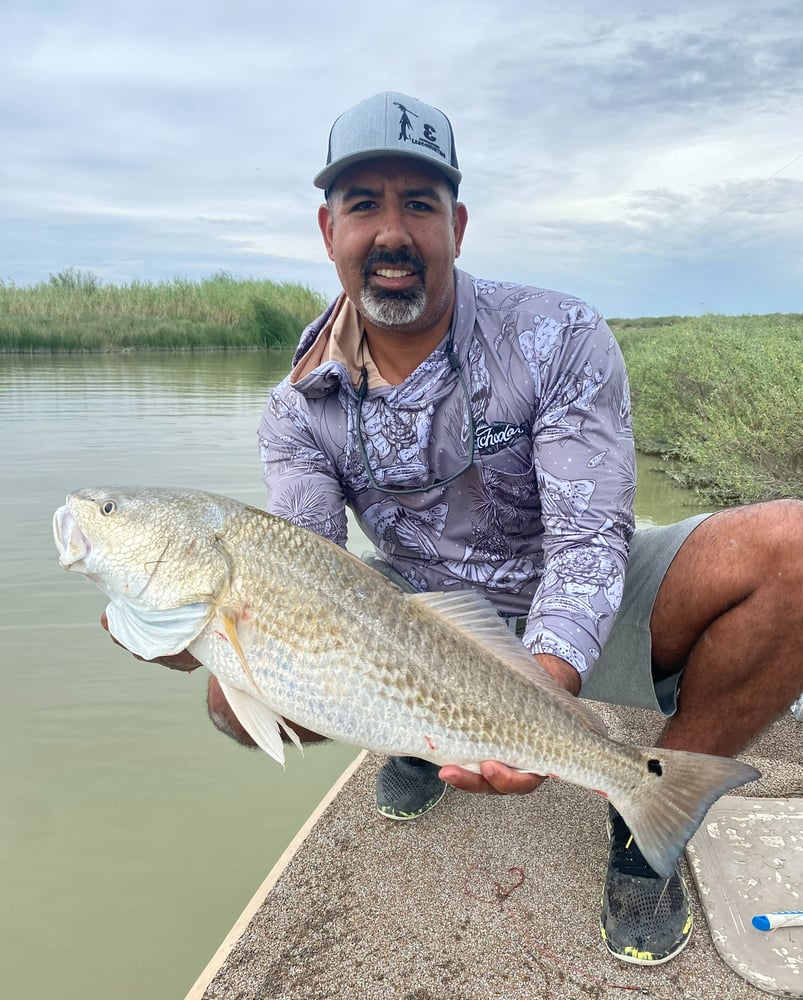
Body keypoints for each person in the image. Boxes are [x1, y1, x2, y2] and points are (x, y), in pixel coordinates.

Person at [126, 92, 803, 967]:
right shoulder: (297, 404)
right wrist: (193, 635)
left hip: (577, 595)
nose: (392, 232)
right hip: (421, 615)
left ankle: (649, 816)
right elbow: (303, 563)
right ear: (327, 229)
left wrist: (538, 697)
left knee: (794, 551)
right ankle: (417, 734)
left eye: (420, 204)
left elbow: (590, 538)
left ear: (458, 224)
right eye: (364, 204)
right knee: (233, 696)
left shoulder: (555, 334)